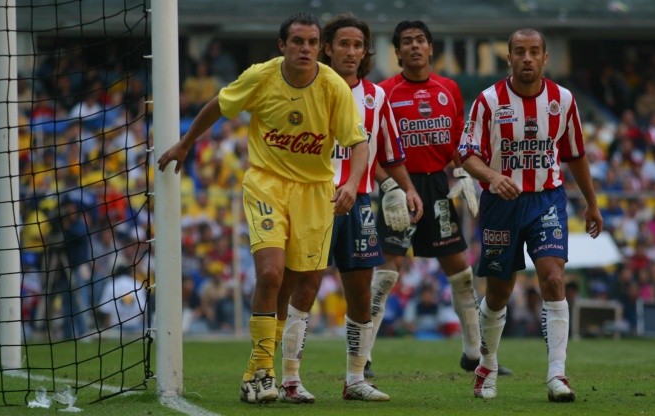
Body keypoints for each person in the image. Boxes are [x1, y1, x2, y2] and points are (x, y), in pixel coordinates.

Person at [157, 12, 370, 404]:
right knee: (270, 275)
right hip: (266, 184)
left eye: (311, 42)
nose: (305, 48)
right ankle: (262, 370)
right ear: (282, 46)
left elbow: (358, 142)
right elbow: (219, 105)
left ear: (319, 47)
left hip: (315, 191)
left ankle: (261, 375)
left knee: (299, 286)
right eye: (297, 41)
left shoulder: (333, 87)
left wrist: (352, 183)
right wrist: (186, 143)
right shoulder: (261, 76)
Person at [275, 13, 424, 403]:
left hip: (358, 203)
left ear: (365, 52)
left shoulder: (376, 98)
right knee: (305, 287)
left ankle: (355, 379)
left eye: (358, 45)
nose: (351, 52)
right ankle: (290, 378)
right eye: (344, 44)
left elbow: (389, 154)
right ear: (327, 47)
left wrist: (408, 189)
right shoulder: (309, 87)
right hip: (314, 199)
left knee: (360, 294)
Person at [457, 28, 603, 402]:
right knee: (500, 292)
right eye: (519, 52)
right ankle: (487, 365)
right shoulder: (488, 101)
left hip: (546, 200)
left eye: (533, 52)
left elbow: (575, 154)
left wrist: (592, 202)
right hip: (500, 204)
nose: (526, 58)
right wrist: (492, 176)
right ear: (508, 58)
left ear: (544, 58)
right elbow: (466, 154)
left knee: (553, 278)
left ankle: (557, 375)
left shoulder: (563, 100)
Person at [368, 20, 509, 378]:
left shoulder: (449, 88)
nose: (414, 47)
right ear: (396, 52)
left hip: (437, 185)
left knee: (461, 273)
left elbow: (458, 142)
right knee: (387, 272)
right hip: (399, 187)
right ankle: (362, 358)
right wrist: (389, 187)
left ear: (431, 48)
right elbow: (370, 149)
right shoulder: (383, 92)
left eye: (420, 41)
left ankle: (473, 355)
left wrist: (461, 172)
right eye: (406, 42)